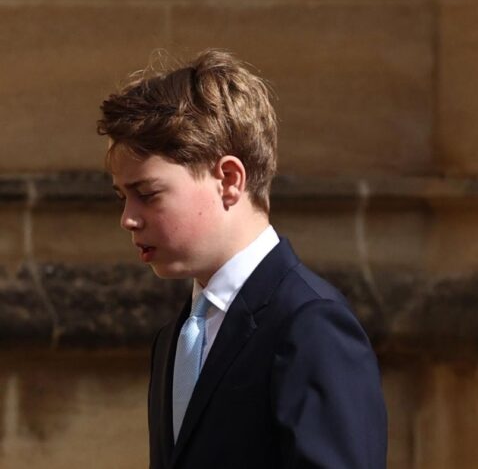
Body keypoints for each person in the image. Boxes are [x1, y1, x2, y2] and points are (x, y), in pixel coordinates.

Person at [97, 50, 387, 469]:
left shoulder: (311, 326)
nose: (128, 219)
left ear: (229, 180)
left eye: (148, 194)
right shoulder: (176, 337)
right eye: (123, 197)